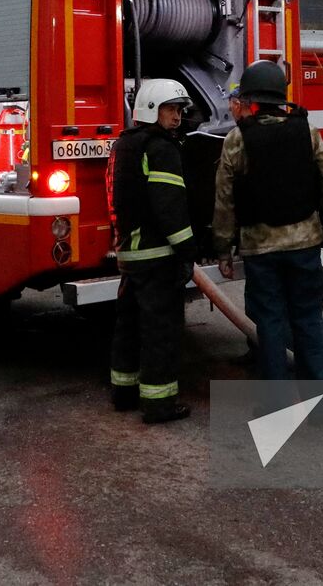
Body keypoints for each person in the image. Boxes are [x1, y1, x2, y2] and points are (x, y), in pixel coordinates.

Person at [212, 60, 323, 387]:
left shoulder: (236, 140)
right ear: (281, 97)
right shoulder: (307, 132)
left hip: (260, 252)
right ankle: (319, 411)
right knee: (309, 324)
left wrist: (222, 249)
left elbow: (224, 200)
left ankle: (275, 411)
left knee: (270, 330)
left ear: (251, 101)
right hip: (305, 246)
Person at [106, 78, 198, 424]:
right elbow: (170, 207)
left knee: (127, 327)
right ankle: (159, 404)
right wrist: (188, 250)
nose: (176, 117)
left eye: (178, 110)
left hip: (130, 255)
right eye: (170, 109)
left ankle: (124, 393)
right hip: (158, 256)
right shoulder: (161, 148)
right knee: (160, 331)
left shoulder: (123, 145)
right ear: (150, 109)